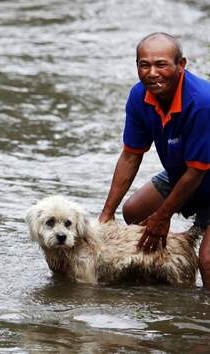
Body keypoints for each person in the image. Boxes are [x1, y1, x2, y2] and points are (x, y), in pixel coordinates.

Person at [98, 32, 210, 288]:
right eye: (144, 65)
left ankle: (202, 319)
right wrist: (106, 214)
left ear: (181, 66)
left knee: (208, 261)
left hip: (199, 173)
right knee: (134, 212)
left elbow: (197, 171)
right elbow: (130, 155)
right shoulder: (139, 97)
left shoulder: (202, 103)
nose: (152, 73)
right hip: (182, 174)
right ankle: (168, 276)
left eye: (161, 64)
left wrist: (163, 216)